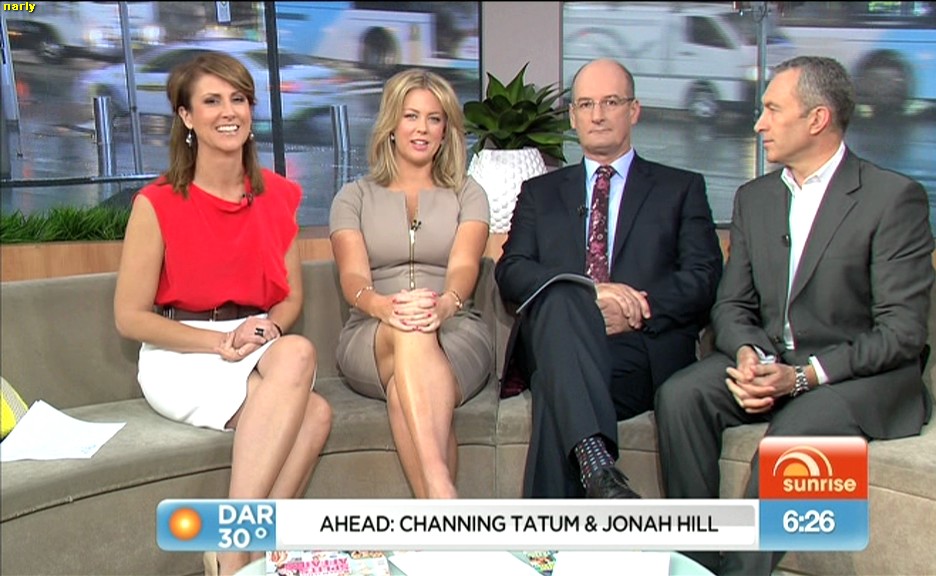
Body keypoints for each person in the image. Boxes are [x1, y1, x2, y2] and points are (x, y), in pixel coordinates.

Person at [655, 55, 936, 575]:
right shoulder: (755, 198)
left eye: (772, 109)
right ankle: (694, 561)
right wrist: (749, 354)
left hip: (858, 376)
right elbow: (731, 304)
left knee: (795, 431)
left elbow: (902, 332)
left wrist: (803, 377)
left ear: (817, 119)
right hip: (775, 361)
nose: (758, 123)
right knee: (681, 395)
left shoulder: (892, 198)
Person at [113, 52, 333, 576]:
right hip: (181, 350)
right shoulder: (157, 203)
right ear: (186, 116)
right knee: (314, 413)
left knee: (299, 356)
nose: (228, 111)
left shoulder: (278, 195)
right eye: (211, 101)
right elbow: (130, 317)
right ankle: (244, 554)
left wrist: (267, 328)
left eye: (238, 99)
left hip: (254, 340)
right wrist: (218, 342)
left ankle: (239, 549)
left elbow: (290, 299)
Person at [495, 58, 723, 499]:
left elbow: (704, 276)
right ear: (573, 116)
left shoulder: (680, 188)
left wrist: (637, 308)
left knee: (555, 388)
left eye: (610, 102)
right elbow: (512, 271)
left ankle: (555, 525)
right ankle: (598, 469)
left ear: (634, 110)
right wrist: (591, 294)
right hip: (560, 341)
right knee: (563, 298)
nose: (597, 115)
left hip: (638, 350)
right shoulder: (540, 192)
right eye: (586, 104)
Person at [329, 68, 493, 499]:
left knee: (405, 392)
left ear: (446, 131)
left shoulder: (469, 193)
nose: (422, 128)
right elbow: (353, 277)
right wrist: (385, 307)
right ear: (391, 125)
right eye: (411, 116)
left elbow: (464, 265)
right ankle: (443, 492)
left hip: (455, 327)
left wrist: (445, 304)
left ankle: (436, 504)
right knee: (408, 327)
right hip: (372, 331)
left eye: (434, 119)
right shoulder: (353, 196)